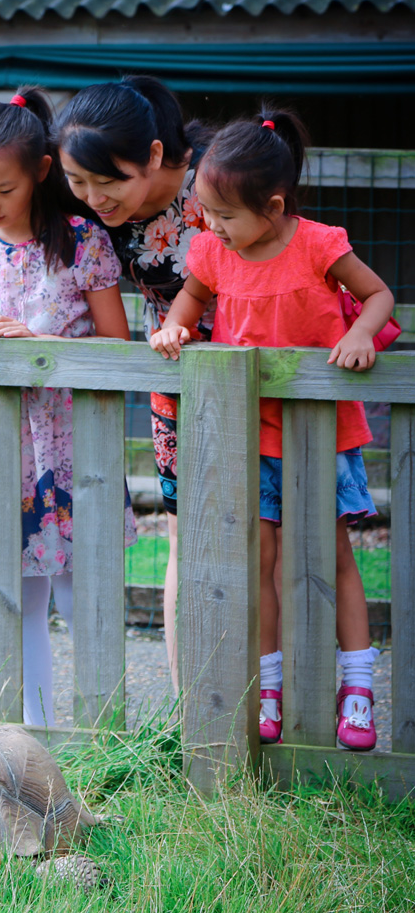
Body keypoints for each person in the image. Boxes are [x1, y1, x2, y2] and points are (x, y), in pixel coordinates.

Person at [150, 108, 395, 750]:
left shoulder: (319, 244)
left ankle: (358, 687)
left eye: (225, 215)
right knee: (256, 556)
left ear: (275, 205)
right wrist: (176, 326)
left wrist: (363, 336)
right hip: (249, 431)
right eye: (205, 211)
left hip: (322, 432)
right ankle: (268, 688)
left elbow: (377, 297)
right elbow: (192, 302)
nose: (211, 226)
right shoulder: (212, 251)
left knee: (332, 555)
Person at [0, 86, 137, 728]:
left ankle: (104, 728)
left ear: (41, 172)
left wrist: (42, 344)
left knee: (83, 586)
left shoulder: (82, 240)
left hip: (70, 438)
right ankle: (35, 730)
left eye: (4, 189)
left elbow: (117, 346)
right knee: (14, 590)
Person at [53, 75, 215, 692]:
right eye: (78, 181)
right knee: (186, 533)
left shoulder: (219, 181)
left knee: (269, 535)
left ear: (153, 154)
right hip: (172, 375)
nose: (93, 196)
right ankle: (190, 710)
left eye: (108, 179)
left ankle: (275, 707)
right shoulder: (89, 212)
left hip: (266, 365)